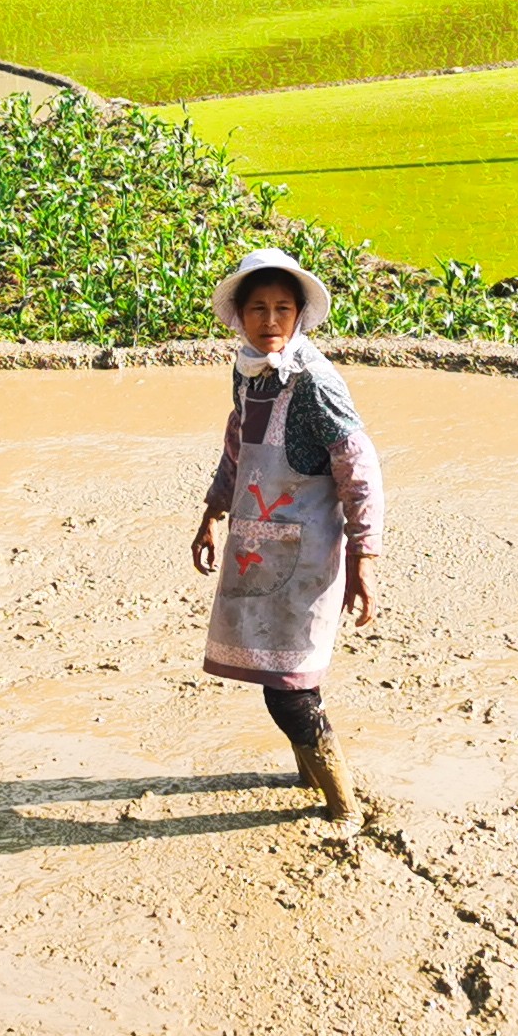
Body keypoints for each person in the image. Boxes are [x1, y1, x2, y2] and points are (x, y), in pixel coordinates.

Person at [189, 246, 385, 827]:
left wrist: (364, 556)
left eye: (281, 309)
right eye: (257, 309)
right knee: (283, 672)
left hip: (306, 556)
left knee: (289, 688)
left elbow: (360, 469)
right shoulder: (248, 372)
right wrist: (213, 509)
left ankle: (344, 807)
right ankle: (309, 772)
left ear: (300, 315)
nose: (269, 321)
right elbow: (237, 447)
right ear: (240, 316)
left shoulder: (315, 384)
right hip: (258, 547)